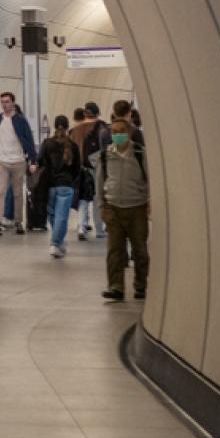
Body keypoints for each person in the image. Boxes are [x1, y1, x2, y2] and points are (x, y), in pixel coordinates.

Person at [99, 113, 152, 301]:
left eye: (121, 132)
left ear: (129, 133)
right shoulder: (106, 155)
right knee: (114, 250)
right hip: (113, 207)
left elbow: (150, 180)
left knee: (140, 249)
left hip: (136, 207)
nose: (117, 135)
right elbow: (100, 182)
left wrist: (149, 202)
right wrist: (101, 206)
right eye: (113, 132)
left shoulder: (139, 154)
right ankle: (115, 287)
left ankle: (141, 285)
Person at [0, 93, 36, 234]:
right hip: (1, 161)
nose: (4, 104)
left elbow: (29, 140)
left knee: (18, 193)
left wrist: (33, 160)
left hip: (19, 161)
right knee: (0, 191)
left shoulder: (21, 120)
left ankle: (18, 221)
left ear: (13, 103)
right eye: (2, 102)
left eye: (7, 102)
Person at [37, 115, 82, 258]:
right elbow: (77, 168)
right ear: (68, 127)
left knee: (53, 215)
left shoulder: (47, 143)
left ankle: (57, 242)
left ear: (54, 126)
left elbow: (39, 161)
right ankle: (56, 243)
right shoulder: (73, 146)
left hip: (50, 185)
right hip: (66, 185)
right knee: (61, 217)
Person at [67, 106, 105, 240]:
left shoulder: (74, 130)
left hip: (79, 168)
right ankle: (100, 229)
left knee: (82, 199)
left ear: (85, 114)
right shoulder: (101, 128)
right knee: (97, 198)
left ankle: (81, 227)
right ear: (98, 113)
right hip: (96, 167)